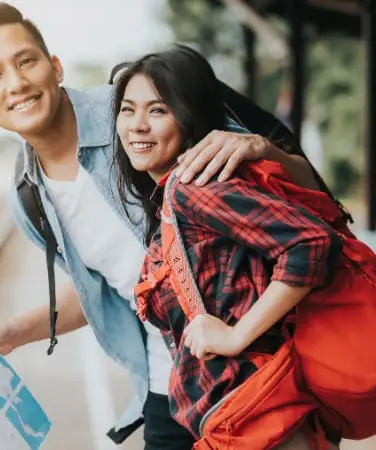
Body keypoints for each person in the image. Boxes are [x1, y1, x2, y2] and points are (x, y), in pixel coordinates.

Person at [0, 2, 322, 448]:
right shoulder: (28, 196)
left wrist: (263, 149)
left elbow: (305, 197)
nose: (16, 83)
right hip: (171, 388)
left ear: (54, 66)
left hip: (258, 377)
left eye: (26, 61)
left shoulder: (138, 108)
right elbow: (106, 289)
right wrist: (14, 330)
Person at [113, 45, 351, 447]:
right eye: (127, 109)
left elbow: (311, 244)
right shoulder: (172, 200)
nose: (137, 125)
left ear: (190, 119)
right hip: (237, 420)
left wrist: (236, 336)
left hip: (262, 418)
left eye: (157, 110)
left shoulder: (193, 189)